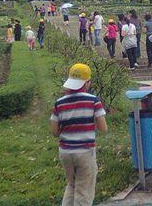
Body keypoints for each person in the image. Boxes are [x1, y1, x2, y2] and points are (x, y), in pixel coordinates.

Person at [50, 63, 108, 206]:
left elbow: (55, 132)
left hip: (65, 153)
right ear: (87, 83)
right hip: (85, 152)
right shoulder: (93, 101)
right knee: (84, 191)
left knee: (72, 185)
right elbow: (104, 128)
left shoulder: (59, 103)